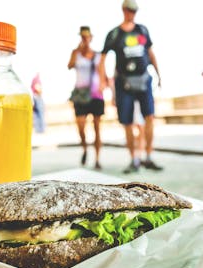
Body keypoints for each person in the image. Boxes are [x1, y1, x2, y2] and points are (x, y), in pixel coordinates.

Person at [98, 0, 163, 173]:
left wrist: (158, 74)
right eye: (129, 10)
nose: (132, 13)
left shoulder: (142, 30)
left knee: (150, 117)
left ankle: (148, 156)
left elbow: (150, 53)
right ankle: (134, 159)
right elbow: (102, 58)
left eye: (134, 10)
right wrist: (103, 80)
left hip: (143, 80)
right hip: (124, 83)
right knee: (127, 122)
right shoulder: (114, 34)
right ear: (123, 10)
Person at [67, 26, 105, 169]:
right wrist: (78, 49)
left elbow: (102, 72)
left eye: (87, 37)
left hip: (96, 94)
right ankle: (84, 148)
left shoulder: (98, 55)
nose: (85, 39)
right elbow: (69, 66)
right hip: (80, 94)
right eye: (82, 37)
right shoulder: (75, 53)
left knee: (97, 128)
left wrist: (104, 86)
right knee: (81, 126)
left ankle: (97, 159)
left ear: (91, 37)